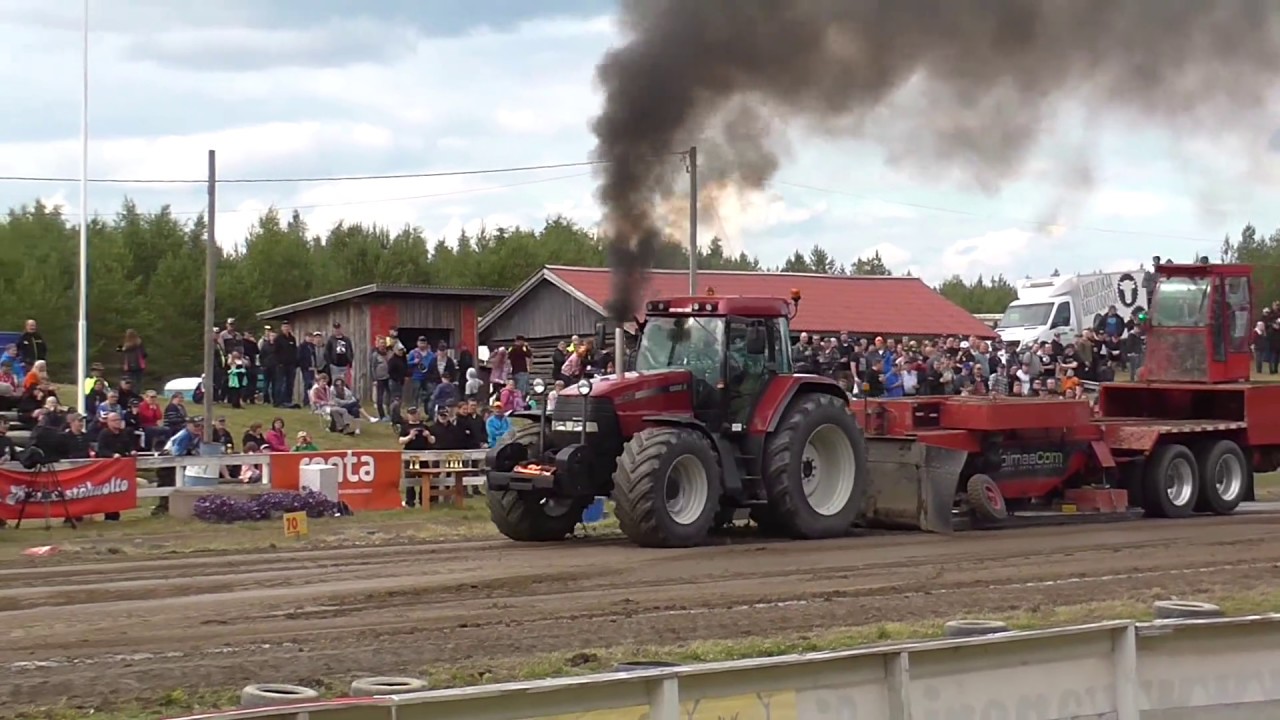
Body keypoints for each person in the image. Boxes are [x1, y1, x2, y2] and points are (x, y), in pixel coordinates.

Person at [398, 407, 434, 508]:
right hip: (410, 456)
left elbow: (433, 441)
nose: (413, 416)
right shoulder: (405, 427)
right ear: (408, 415)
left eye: (415, 413)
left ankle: (424, 500)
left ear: (418, 414)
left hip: (423, 455)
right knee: (410, 478)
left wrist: (428, 435)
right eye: (411, 414)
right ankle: (410, 501)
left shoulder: (424, 426)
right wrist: (410, 436)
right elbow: (400, 441)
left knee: (425, 478)